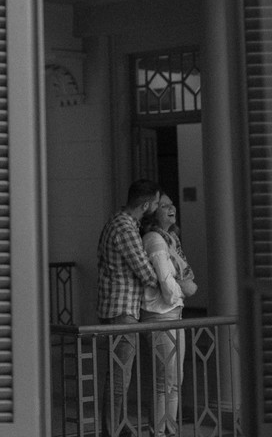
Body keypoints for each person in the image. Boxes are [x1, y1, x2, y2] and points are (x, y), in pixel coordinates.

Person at [96, 178, 161, 437]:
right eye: (156, 203)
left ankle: (118, 426)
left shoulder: (119, 222)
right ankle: (112, 430)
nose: (157, 207)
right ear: (145, 205)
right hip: (121, 311)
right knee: (119, 377)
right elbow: (145, 272)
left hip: (117, 309)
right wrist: (172, 281)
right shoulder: (124, 228)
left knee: (119, 375)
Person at [139, 192, 197, 437]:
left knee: (175, 379)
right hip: (160, 315)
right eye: (164, 206)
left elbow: (180, 276)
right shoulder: (154, 240)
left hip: (173, 314)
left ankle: (170, 431)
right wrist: (183, 291)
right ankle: (159, 432)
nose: (171, 208)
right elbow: (166, 282)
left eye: (172, 204)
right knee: (165, 381)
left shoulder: (171, 239)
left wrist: (182, 287)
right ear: (153, 213)